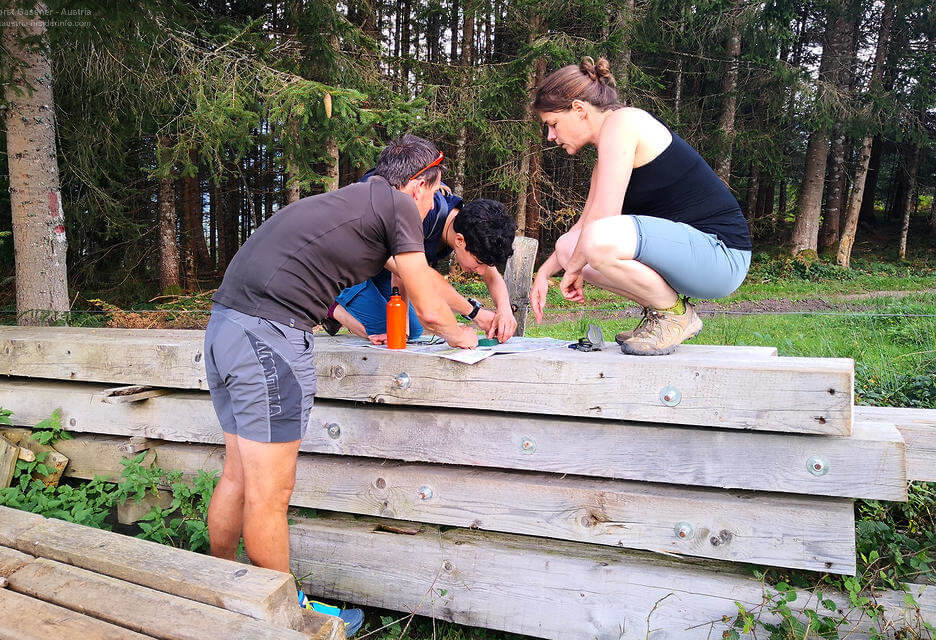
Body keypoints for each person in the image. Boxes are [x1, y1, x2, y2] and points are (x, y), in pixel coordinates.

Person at [203, 134, 477, 635]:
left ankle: (225, 594)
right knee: (269, 497)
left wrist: (477, 308)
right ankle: (285, 620)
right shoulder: (396, 206)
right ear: (419, 185)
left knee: (238, 478)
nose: (434, 207)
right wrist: (466, 337)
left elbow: (425, 281)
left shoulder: (360, 200)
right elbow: (430, 311)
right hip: (269, 340)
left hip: (225, 328)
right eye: (434, 195)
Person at [529, 57, 752, 355]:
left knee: (596, 242)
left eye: (553, 124)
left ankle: (673, 315)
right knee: (571, 246)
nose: (551, 137)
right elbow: (582, 228)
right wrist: (545, 274)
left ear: (579, 109)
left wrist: (573, 270)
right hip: (692, 255)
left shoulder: (624, 123)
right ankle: (662, 314)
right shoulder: (607, 152)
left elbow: (602, 222)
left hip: (722, 255)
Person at [322, 176, 518, 344]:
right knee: (382, 330)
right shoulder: (419, 212)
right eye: (479, 264)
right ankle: (330, 309)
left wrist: (504, 310)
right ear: (460, 240)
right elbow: (420, 277)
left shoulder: (469, 223)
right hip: (344, 259)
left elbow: (401, 275)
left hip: (384, 265)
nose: (482, 271)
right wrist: (475, 314)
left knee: (410, 333)